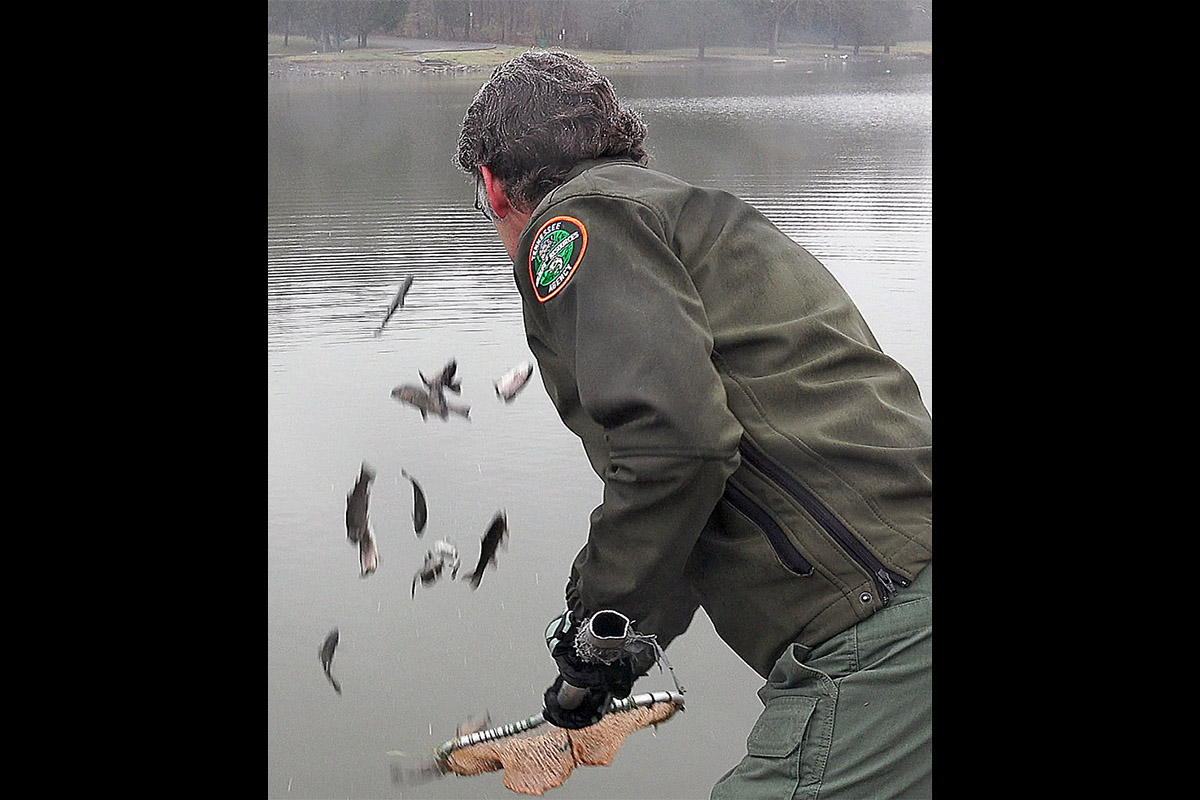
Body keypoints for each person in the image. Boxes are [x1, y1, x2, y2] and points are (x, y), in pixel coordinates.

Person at [454, 50, 932, 799]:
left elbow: (677, 448)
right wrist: (611, 659)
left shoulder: (577, 223)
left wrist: (594, 623)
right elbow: (689, 493)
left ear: (490, 184)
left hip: (884, 626)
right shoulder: (688, 215)